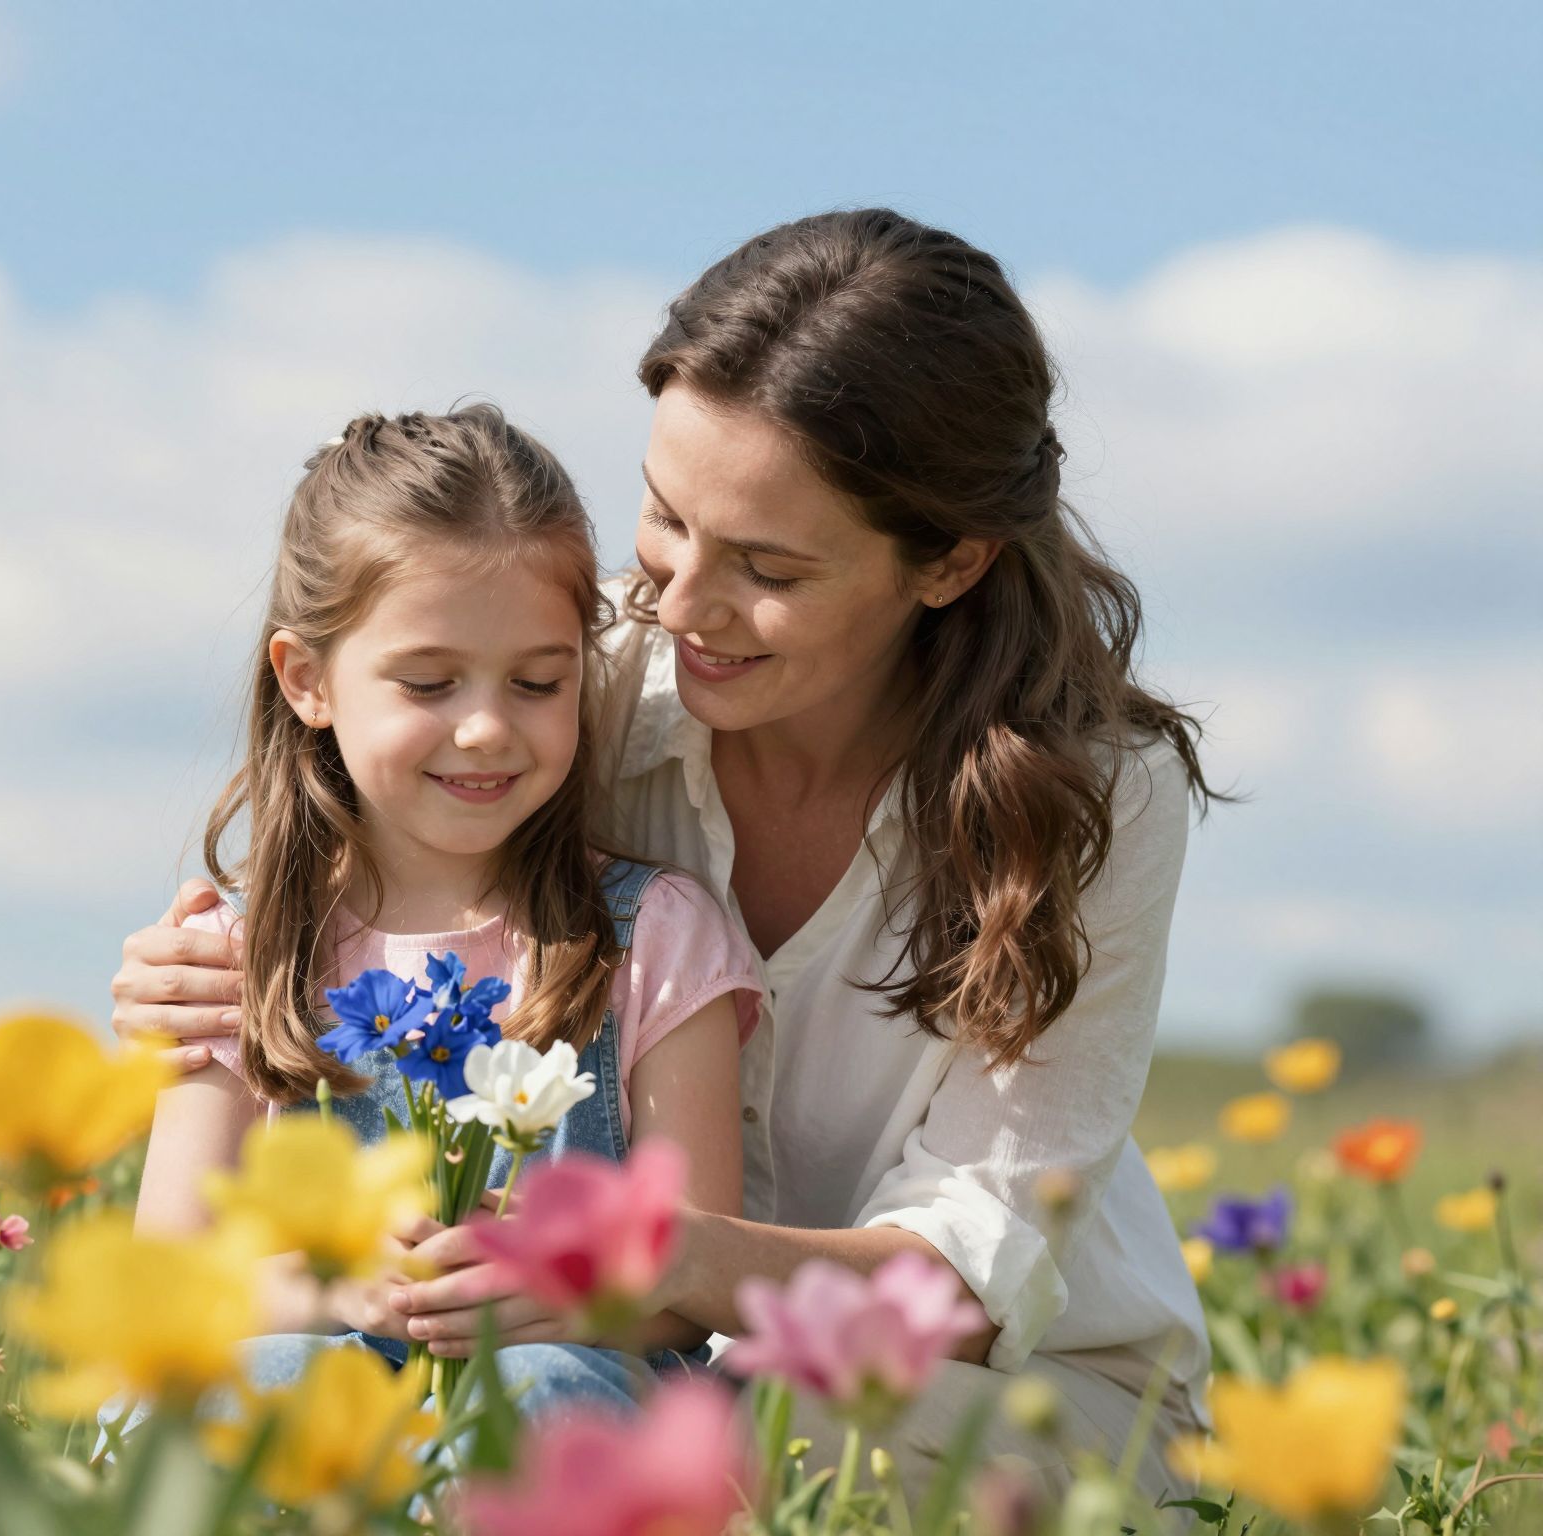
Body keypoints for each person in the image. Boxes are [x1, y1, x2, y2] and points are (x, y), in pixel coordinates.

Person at [113, 210, 1224, 1503]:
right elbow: (378, 796)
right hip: (637, 1347)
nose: (680, 604)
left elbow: (971, 1276)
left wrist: (663, 1259)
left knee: (647, 1432)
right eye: (664, 517)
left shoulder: (1092, 795)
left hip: (993, 1388)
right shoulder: (573, 690)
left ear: (948, 563)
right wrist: (213, 964)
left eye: (767, 567)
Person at [125, 404, 762, 1433]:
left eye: (538, 682)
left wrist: (562, 1293)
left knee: (543, 1390)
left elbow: (694, 1282)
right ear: (307, 680)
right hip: (317, 1400)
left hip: (561, 1383)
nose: (485, 728)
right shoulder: (238, 955)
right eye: (429, 682)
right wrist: (335, 1284)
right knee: (253, 1383)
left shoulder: (650, 936)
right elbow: (169, 1279)